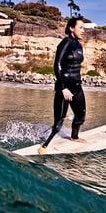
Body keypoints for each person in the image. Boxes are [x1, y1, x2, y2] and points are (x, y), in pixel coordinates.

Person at [38, 16, 87, 155]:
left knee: (80, 116)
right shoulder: (65, 43)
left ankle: (74, 137)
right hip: (64, 87)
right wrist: (63, 87)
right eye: (81, 27)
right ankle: (44, 147)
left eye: (84, 28)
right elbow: (57, 65)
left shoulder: (78, 45)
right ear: (72, 28)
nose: (83, 30)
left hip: (77, 86)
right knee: (59, 122)